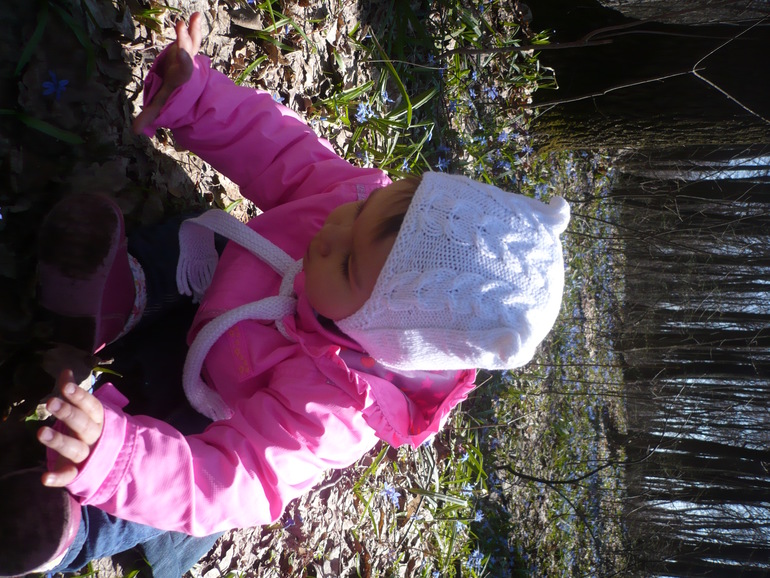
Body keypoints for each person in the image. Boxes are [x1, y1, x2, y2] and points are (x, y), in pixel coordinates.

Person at [0, 12, 570, 577]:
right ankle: (114, 300)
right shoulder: (357, 207)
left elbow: (237, 478)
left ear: (382, 337)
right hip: (223, 285)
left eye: (347, 265)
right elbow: (281, 154)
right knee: (195, 246)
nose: (334, 230)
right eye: (364, 209)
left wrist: (117, 457)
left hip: (212, 402)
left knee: (167, 486)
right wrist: (197, 97)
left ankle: (61, 524)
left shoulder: (335, 409)